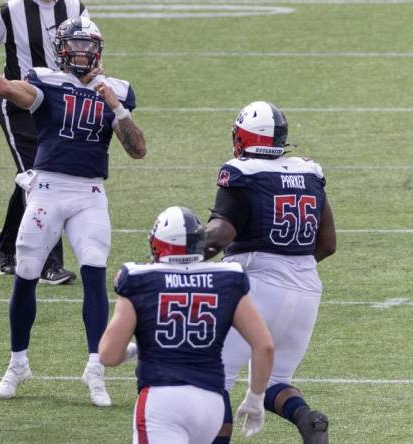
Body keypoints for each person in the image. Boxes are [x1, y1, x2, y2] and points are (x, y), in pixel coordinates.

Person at [0, 17, 146, 407]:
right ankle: (17, 363)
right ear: (63, 49)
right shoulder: (45, 80)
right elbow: (2, 86)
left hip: (90, 193)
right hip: (47, 189)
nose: (82, 53)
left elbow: (137, 150)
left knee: (93, 269)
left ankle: (95, 369)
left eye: (89, 46)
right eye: (76, 45)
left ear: (98, 50)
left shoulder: (117, 89)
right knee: (27, 271)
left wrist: (117, 109)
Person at [204, 101, 337, 443]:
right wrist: (290, 267)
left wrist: (183, 257)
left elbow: (220, 235)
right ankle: (306, 419)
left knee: (214, 375)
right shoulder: (309, 172)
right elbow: (328, 244)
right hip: (306, 289)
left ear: (243, 137)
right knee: (274, 380)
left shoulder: (242, 171)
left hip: (256, 285)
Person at [99, 206, 275, 444]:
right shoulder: (227, 279)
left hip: (163, 401)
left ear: (157, 244)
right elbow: (264, 346)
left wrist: (131, 350)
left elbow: (108, 355)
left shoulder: (139, 280)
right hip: (211, 403)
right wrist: (255, 397)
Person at [0, 0, 89, 284]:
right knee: (42, 177)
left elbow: (89, 51)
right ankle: (50, 264)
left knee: (29, 177)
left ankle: (5, 247)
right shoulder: (10, 11)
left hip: (57, 106)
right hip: (19, 106)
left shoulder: (76, 7)